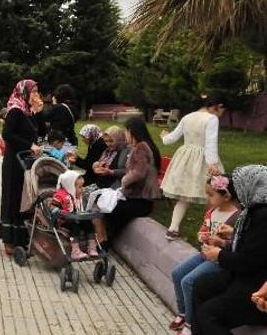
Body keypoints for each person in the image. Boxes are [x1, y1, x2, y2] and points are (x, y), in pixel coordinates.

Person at [192, 165, 267, 334]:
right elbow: (255, 244)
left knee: (208, 314)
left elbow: (250, 260)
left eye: (239, 188)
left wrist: (219, 255)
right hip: (244, 275)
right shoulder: (253, 210)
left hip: (256, 284)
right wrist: (233, 233)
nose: (236, 193)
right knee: (200, 285)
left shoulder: (262, 215)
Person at [170, 176, 240, 335]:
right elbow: (202, 229)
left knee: (188, 281)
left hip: (218, 259)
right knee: (177, 273)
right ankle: (183, 312)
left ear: (226, 196)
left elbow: (237, 244)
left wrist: (221, 242)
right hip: (204, 253)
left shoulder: (236, 217)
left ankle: (190, 322)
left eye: (211, 194)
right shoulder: (211, 211)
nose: (207, 198)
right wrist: (201, 236)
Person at [161, 93, 226, 241]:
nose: (222, 113)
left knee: (185, 194)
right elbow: (210, 143)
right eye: (223, 110)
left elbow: (172, 138)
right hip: (202, 160)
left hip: (185, 158)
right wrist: (213, 164)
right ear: (218, 106)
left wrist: (164, 137)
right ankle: (209, 230)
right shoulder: (212, 119)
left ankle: (172, 229)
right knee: (214, 194)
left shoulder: (188, 117)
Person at [98, 117, 161, 248]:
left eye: (126, 131)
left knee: (109, 209)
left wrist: (124, 181)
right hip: (141, 199)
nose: (125, 134)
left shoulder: (141, 148)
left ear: (131, 131)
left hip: (140, 200)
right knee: (108, 207)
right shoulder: (146, 146)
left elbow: (137, 173)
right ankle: (104, 241)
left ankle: (104, 242)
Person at [0, 79, 45, 255]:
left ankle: (23, 238)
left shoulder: (28, 112)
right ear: (24, 92)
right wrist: (29, 145)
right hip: (14, 161)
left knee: (25, 198)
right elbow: (7, 134)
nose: (36, 95)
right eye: (33, 92)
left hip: (26, 160)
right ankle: (9, 239)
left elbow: (41, 132)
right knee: (12, 197)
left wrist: (39, 112)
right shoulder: (16, 110)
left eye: (36, 91)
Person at [49, 170, 98, 260]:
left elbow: (83, 206)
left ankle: (92, 248)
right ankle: (75, 251)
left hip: (77, 217)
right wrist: (58, 211)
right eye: (80, 187)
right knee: (75, 227)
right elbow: (52, 206)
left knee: (89, 224)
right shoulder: (60, 195)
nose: (82, 189)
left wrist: (90, 208)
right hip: (64, 220)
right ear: (71, 186)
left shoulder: (77, 196)